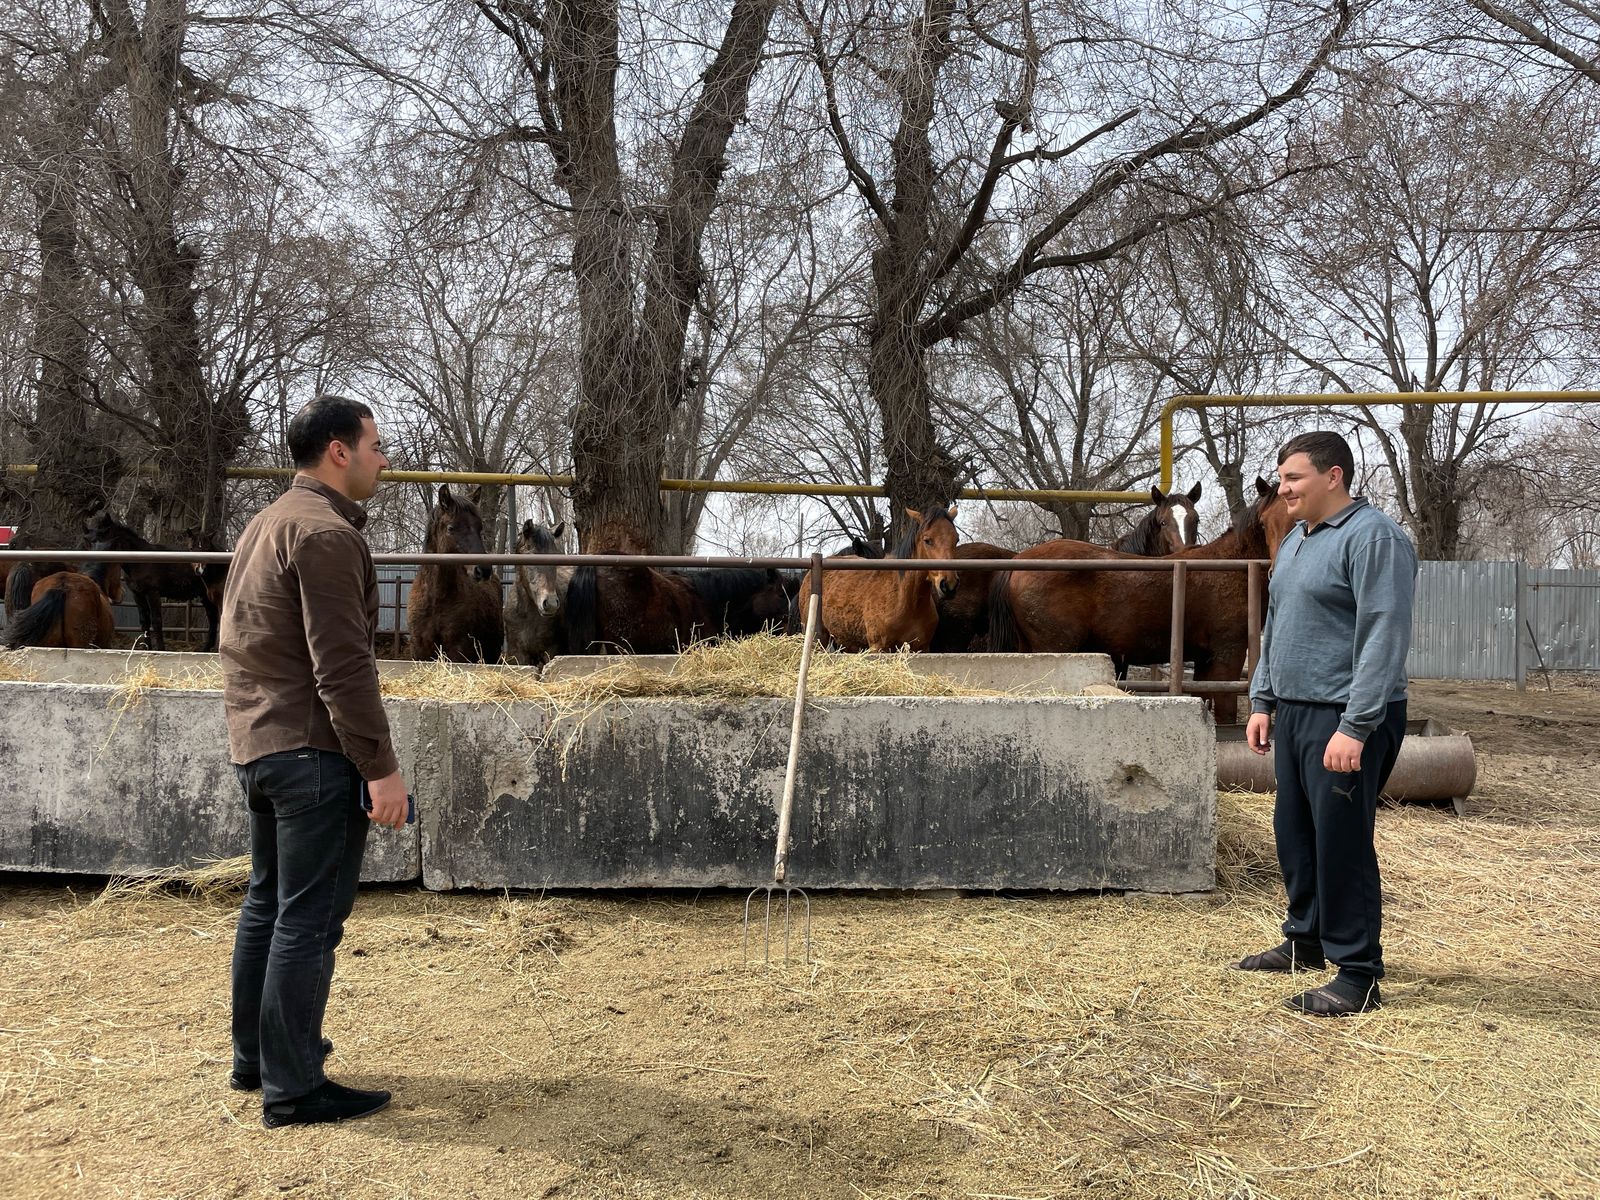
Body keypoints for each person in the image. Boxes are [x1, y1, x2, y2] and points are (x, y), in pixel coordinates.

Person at [220, 395, 411, 1126]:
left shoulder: (264, 525)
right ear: (339, 451)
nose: (383, 459)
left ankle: (258, 1060)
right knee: (308, 919)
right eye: (376, 445)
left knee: (268, 906)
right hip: (313, 753)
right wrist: (380, 768)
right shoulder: (326, 534)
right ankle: (295, 1088)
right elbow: (343, 668)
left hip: (261, 746)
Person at [1237, 430, 1418, 1016]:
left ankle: (1358, 973)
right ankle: (1307, 939)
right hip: (1294, 710)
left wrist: (1356, 725)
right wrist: (1263, 700)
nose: (1283, 489)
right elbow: (1276, 626)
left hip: (1345, 714)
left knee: (1341, 841)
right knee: (1295, 832)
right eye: (1281, 479)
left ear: (1333, 476)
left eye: (1293, 478)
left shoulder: (1374, 537)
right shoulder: (1296, 539)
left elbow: (1384, 632)